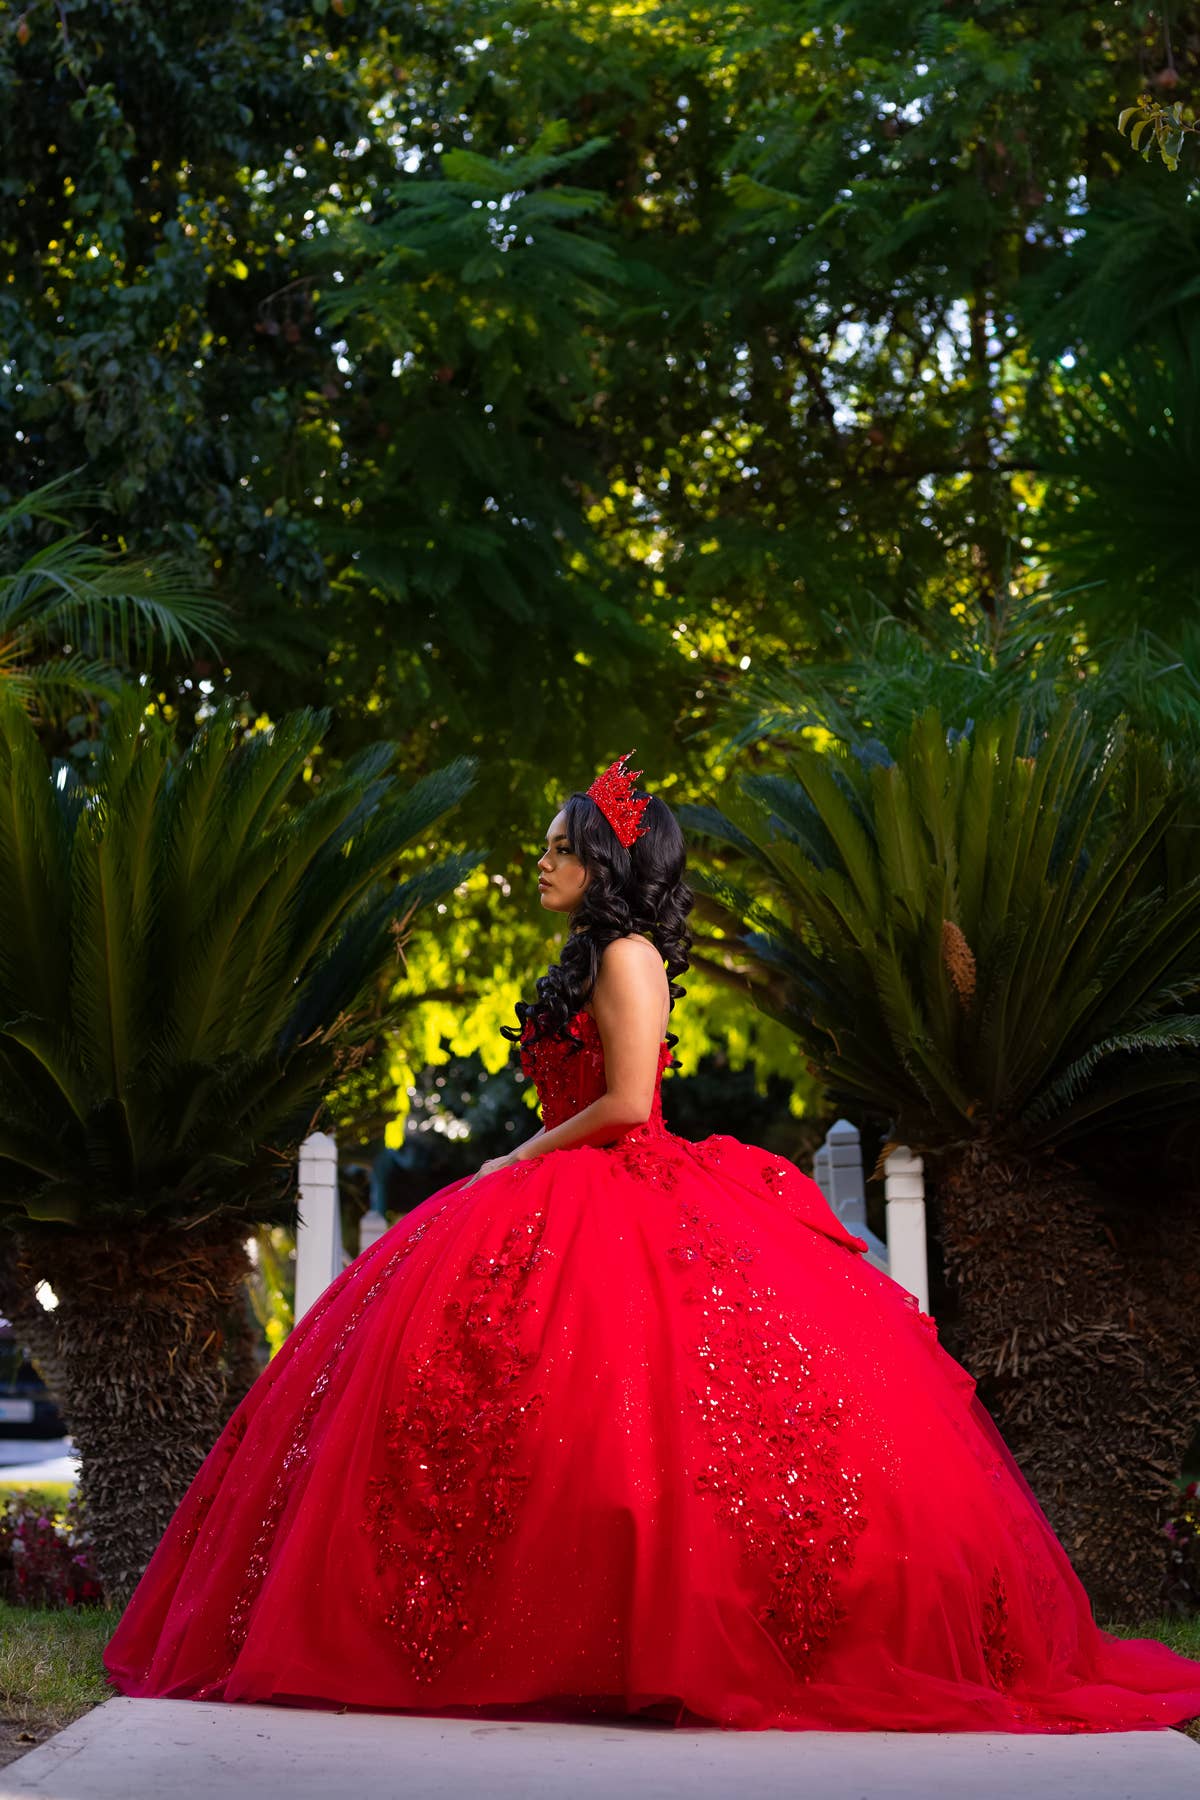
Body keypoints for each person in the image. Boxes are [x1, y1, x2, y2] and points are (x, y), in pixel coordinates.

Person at [102, 752, 1200, 1733]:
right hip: (567, 1181)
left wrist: (520, 1157)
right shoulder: (590, 955)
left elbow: (628, 1101)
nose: (539, 864)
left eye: (559, 850)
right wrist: (527, 1159)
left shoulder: (628, 958)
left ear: (605, 867)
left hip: (618, 1181)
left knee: (667, 1419)